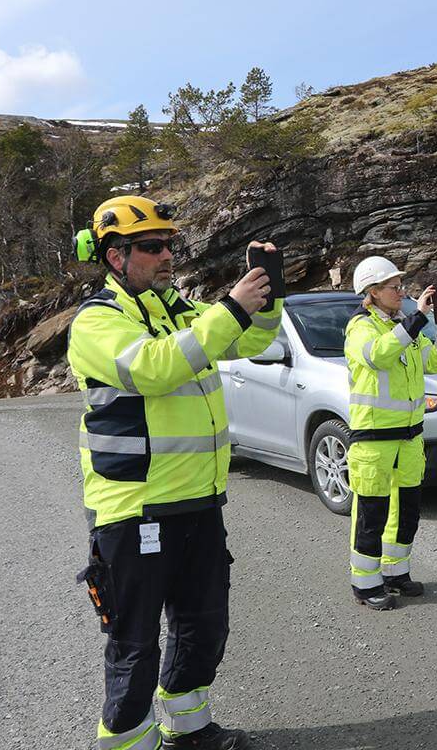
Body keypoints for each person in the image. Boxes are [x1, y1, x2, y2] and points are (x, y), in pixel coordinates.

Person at [67, 196, 283, 750]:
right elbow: (154, 369)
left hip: (199, 502)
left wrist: (266, 294)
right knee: (135, 644)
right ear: (116, 257)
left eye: (170, 245)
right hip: (135, 508)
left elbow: (251, 341)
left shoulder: (174, 308)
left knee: (203, 626)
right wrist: (230, 308)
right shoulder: (96, 321)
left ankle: (188, 731)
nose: (167, 255)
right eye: (152, 247)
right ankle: (126, 743)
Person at [345, 256, 437, 610]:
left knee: (406, 511)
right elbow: (378, 356)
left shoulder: (403, 329)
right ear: (373, 292)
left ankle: (395, 573)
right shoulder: (360, 328)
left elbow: (436, 361)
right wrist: (418, 318)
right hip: (375, 440)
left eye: (400, 286)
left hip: (410, 437)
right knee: (372, 514)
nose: (401, 292)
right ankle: (365, 583)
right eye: (394, 287)